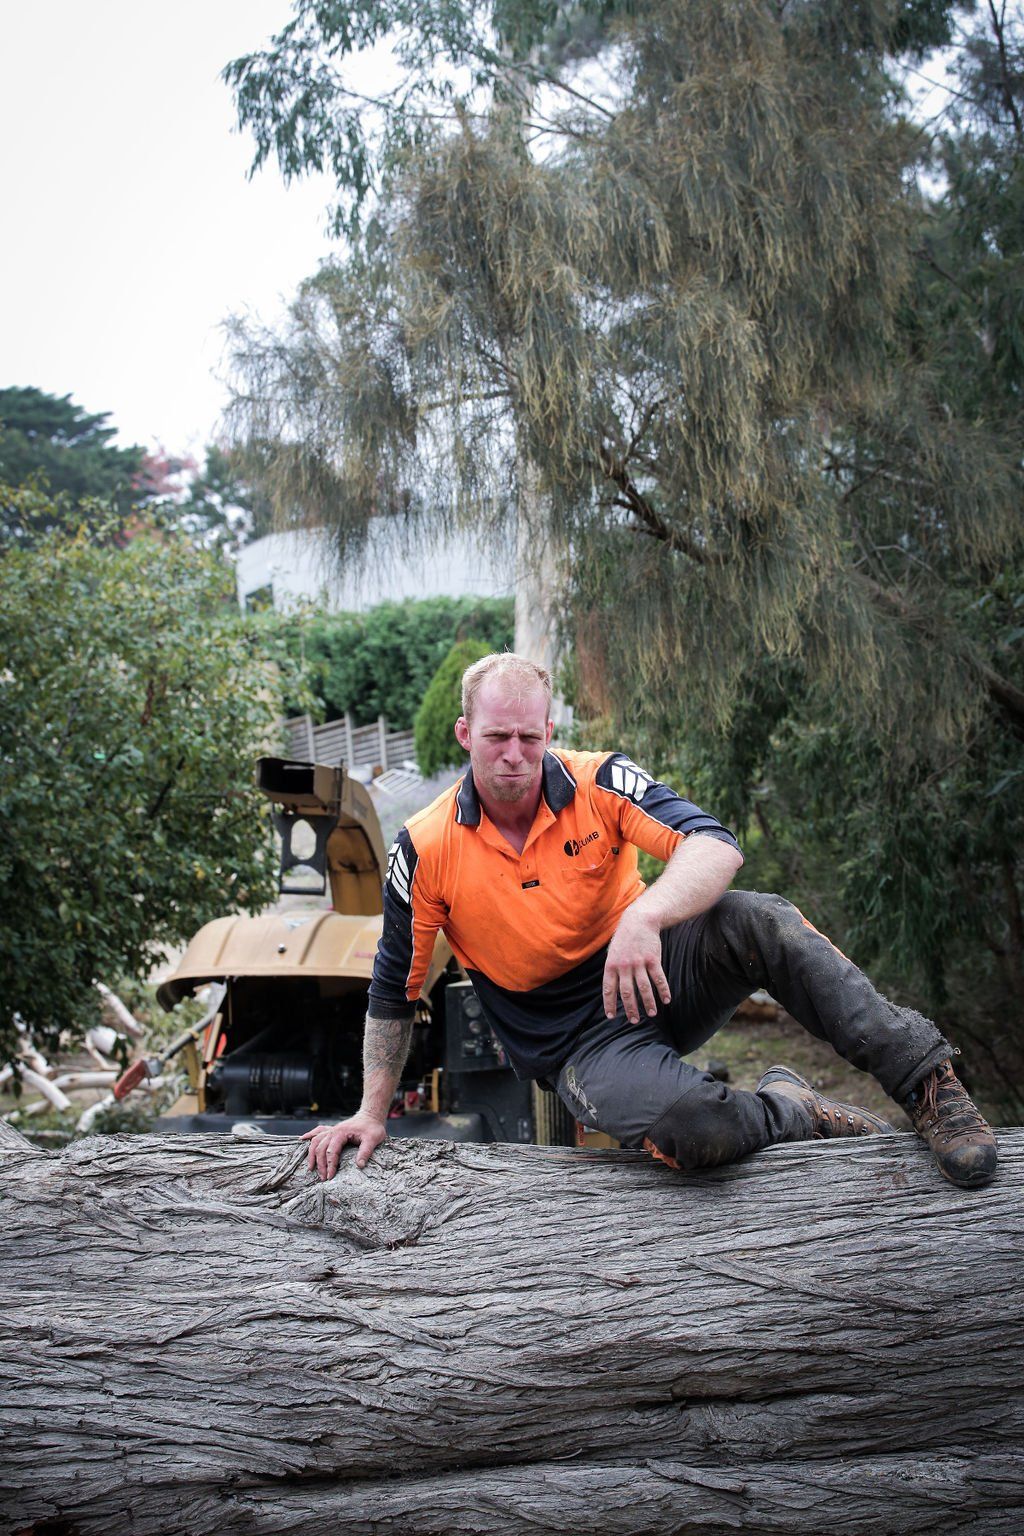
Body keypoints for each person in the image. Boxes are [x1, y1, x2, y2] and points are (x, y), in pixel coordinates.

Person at [304, 653, 997, 1189]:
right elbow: (394, 989)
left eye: (527, 736)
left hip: (659, 968)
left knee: (764, 920)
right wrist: (371, 1112)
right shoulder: (424, 848)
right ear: (465, 734)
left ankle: (930, 1088)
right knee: (695, 1130)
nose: (513, 755)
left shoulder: (600, 780)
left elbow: (715, 845)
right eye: (495, 738)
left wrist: (646, 915)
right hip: (579, 1043)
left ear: (549, 731)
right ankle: (793, 1108)